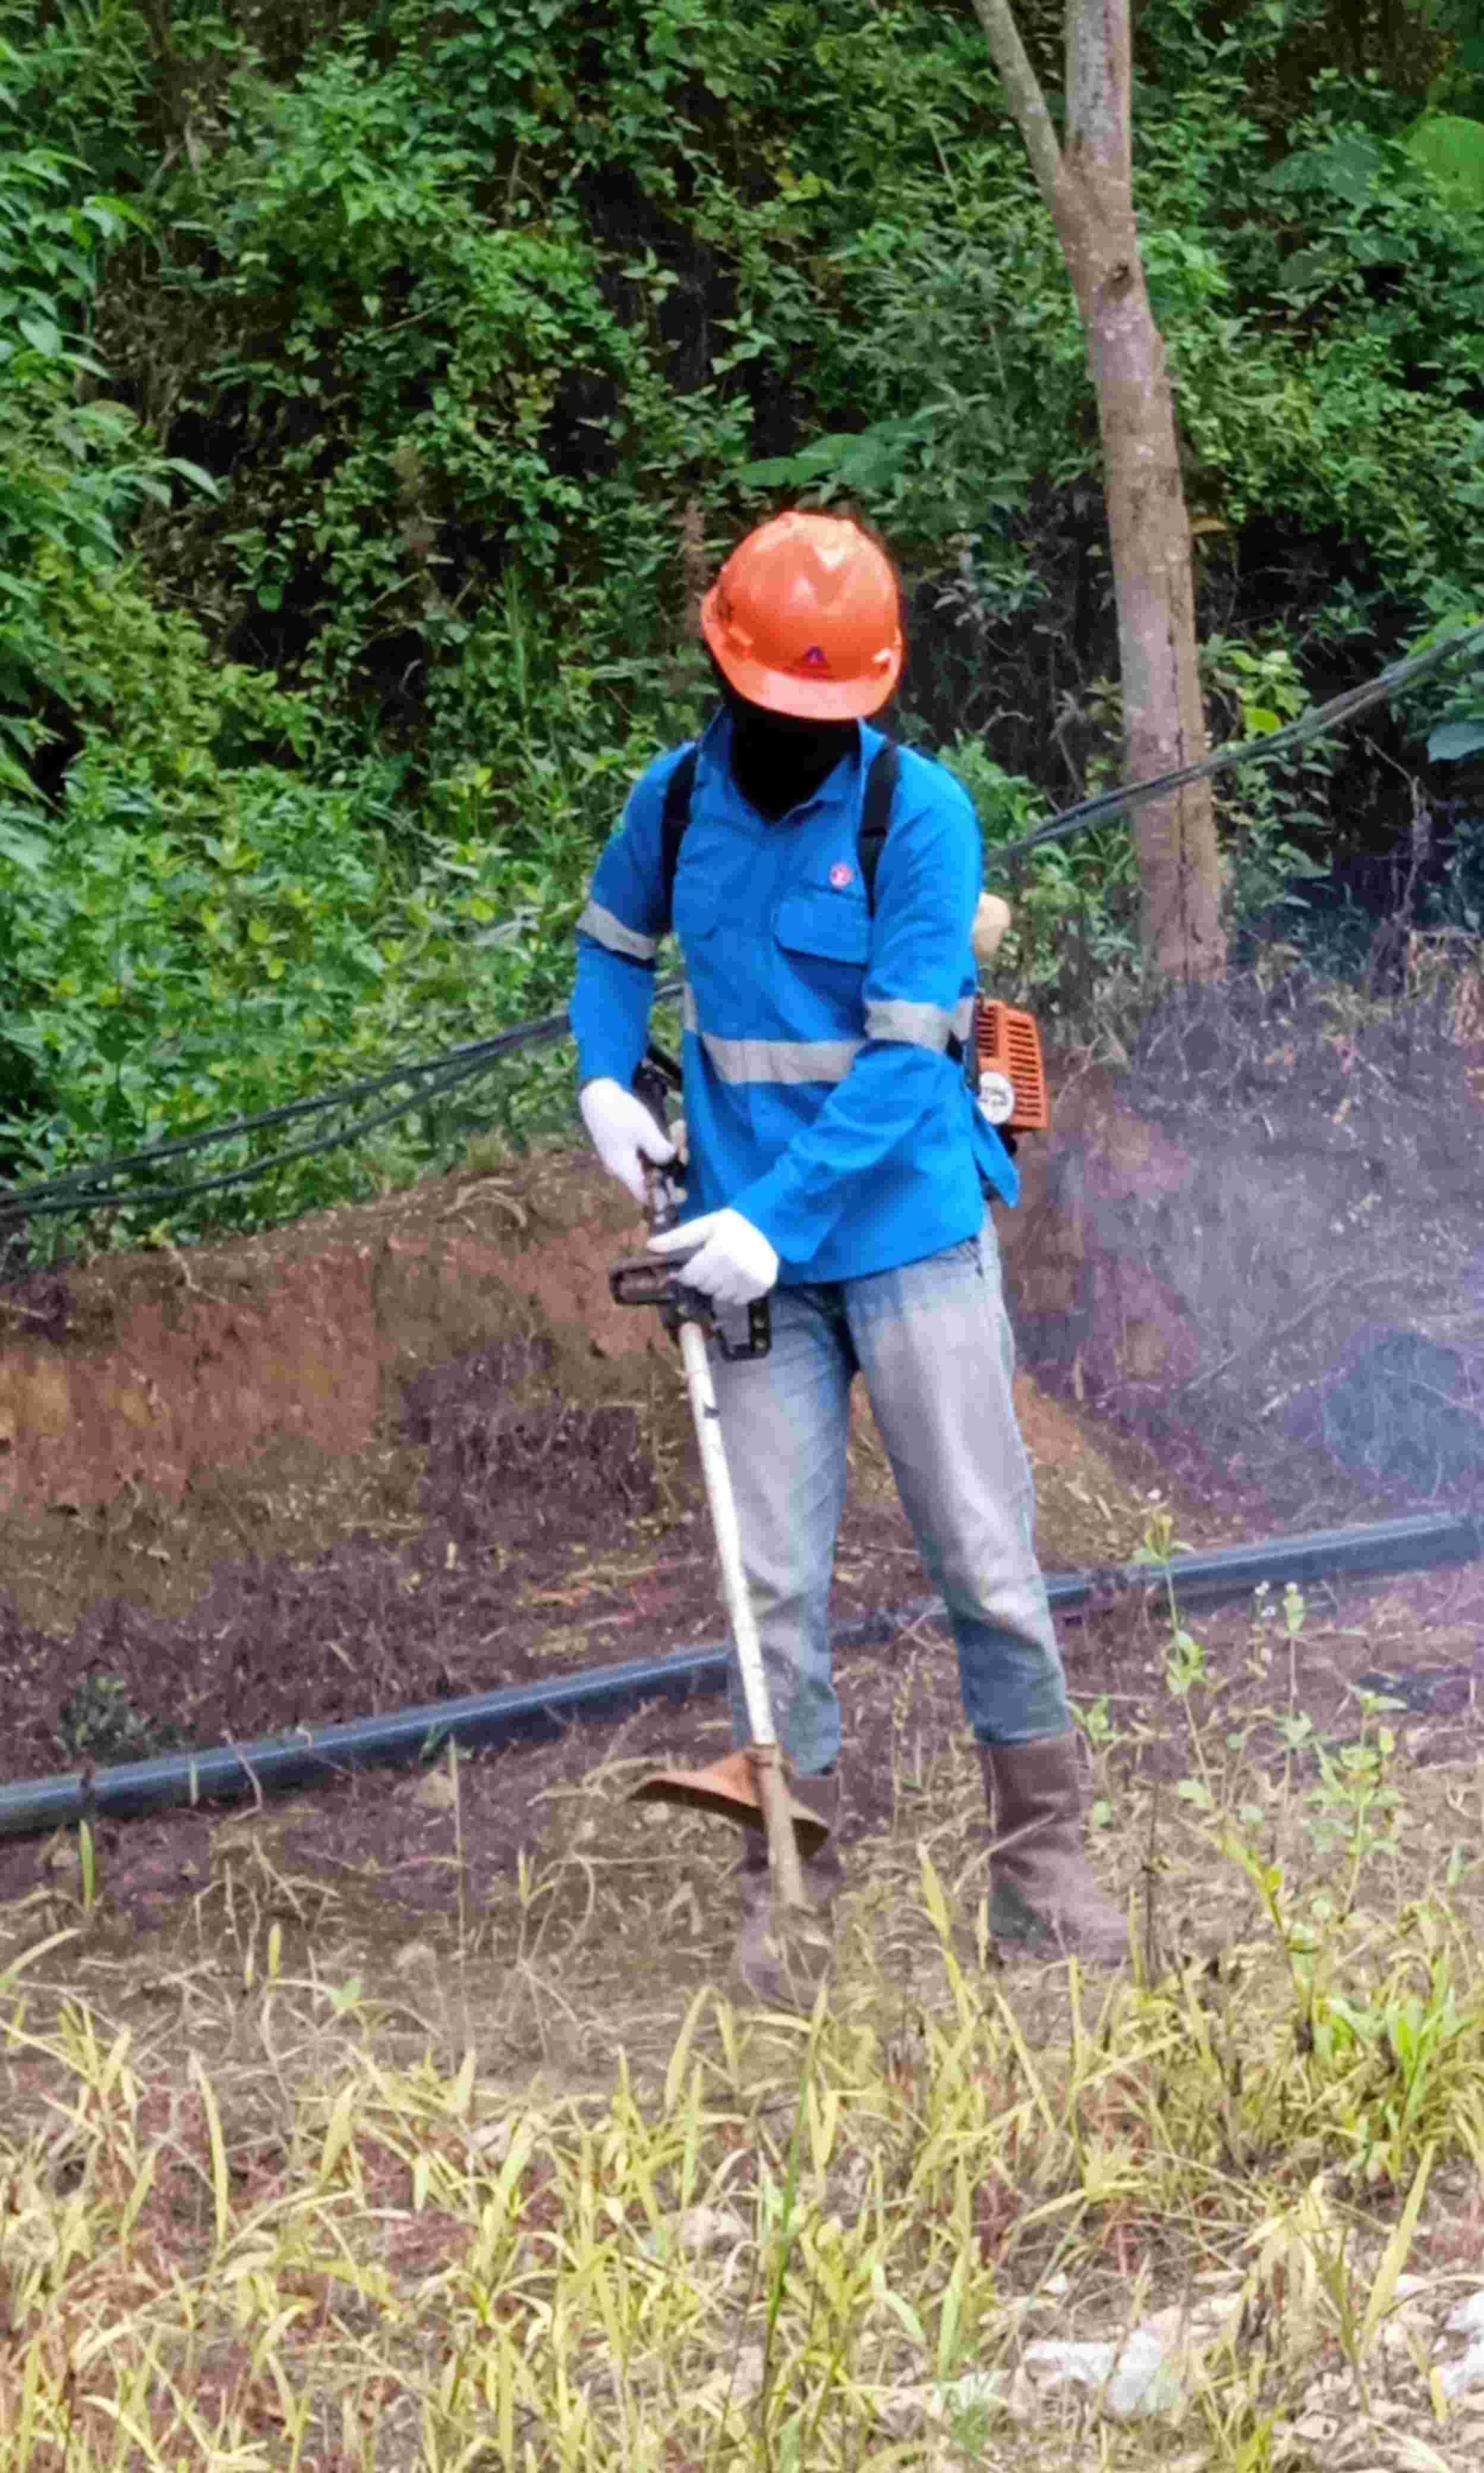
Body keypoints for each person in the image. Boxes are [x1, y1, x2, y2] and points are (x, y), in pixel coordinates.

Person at [569, 509, 1126, 2000]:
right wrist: (605, 1079)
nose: (794, 731)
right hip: (748, 1260)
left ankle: (1046, 1876)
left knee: (987, 1563)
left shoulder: (920, 818)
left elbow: (898, 1069)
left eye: (824, 710)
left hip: (904, 1236)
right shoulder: (672, 805)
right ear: (722, 667)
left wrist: (772, 1219)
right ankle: (790, 1889)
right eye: (770, 701)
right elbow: (613, 947)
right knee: (769, 1589)